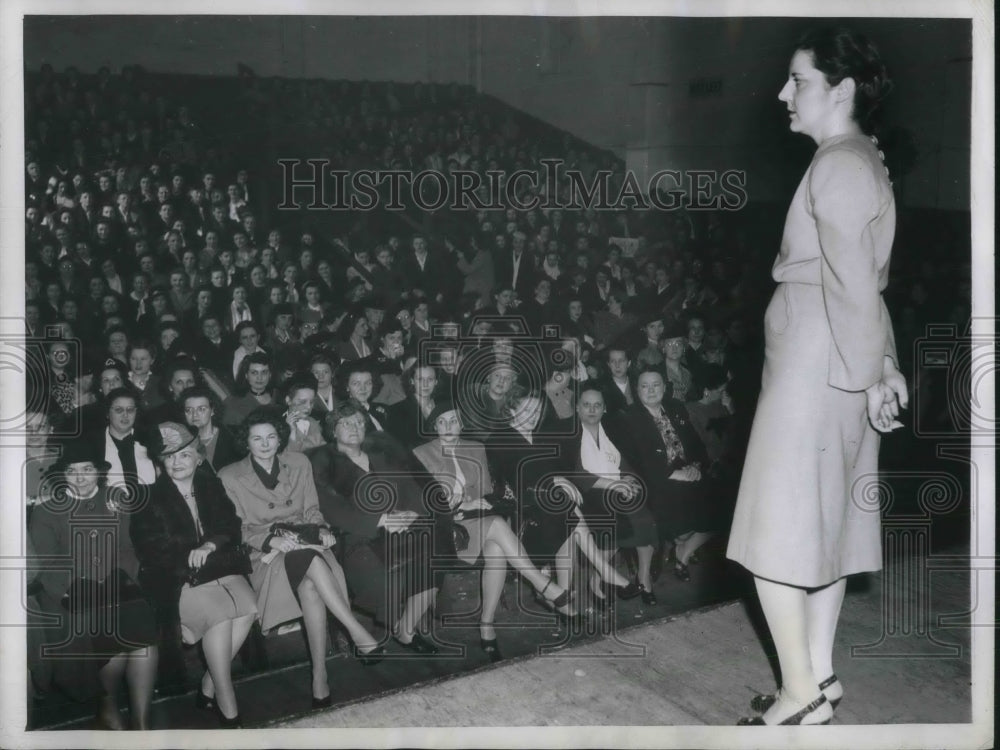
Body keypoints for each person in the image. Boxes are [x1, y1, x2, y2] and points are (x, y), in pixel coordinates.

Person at [726, 28, 906, 726]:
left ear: (842, 88)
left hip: (815, 356)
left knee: (774, 533)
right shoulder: (864, 160)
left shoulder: (838, 164)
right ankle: (820, 676)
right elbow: (865, 282)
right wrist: (880, 367)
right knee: (827, 527)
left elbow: (850, 283)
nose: (782, 93)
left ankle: (798, 696)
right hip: (844, 352)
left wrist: (870, 371)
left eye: (796, 79)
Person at [219, 409, 384, 709]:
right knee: (308, 562)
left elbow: (311, 508)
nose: (266, 444)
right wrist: (271, 539)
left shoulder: (298, 462)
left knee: (310, 581)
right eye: (257, 439)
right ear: (246, 442)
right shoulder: (229, 476)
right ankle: (355, 632)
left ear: (280, 437)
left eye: (271, 437)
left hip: (307, 544)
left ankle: (319, 675)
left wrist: (321, 527)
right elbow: (235, 529)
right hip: (265, 555)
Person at [412, 401, 573, 661]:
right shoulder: (420, 453)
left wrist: (476, 502)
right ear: (433, 426)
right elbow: (422, 502)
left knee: (497, 548)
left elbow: (487, 493)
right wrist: (461, 503)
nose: (449, 426)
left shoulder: (476, 448)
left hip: (477, 521)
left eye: (454, 420)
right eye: (442, 422)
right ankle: (541, 583)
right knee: (497, 525)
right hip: (444, 528)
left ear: (462, 423)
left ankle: (487, 623)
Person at [131, 422, 258, 728]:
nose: (177, 462)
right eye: (169, 456)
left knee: (250, 608)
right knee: (219, 616)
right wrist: (191, 556)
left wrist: (210, 544)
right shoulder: (148, 498)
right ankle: (228, 705)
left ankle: (208, 685)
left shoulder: (210, 484)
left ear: (198, 457)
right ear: (161, 461)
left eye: (184, 455)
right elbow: (152, 552)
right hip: (176, 580)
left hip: (218, 568)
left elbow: (231, 525)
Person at [28, 441, 159, 729]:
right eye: (72, 471)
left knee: (144, 640)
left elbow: (128, 548)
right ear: (63, 475)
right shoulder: (47, 510)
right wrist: (71, 588)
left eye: (87, 469)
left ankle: (141, 721)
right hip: (71, 589)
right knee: (104, 625)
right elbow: (45, 565)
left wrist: (124, 579)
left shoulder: (117, 499)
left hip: (117, 582)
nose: (80, 477)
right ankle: (107, 707)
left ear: (99, 472)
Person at [308, 403, 442, 654]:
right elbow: (330, 507)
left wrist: (412, 513)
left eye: (359, 422)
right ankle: (382, 628)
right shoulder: (323, 461)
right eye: (345, 423)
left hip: (401, 529)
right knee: (384, 580)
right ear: (332, 430)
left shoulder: (380, 453)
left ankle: (406, 629)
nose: (354, 428)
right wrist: (380, 520)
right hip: (357, 536)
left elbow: (411, 486)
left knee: (435, 560)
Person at [569, 387, 659, 605]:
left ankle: (644, 576)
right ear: (577, 407)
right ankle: (596, 580)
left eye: (597, 405)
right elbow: (576, 474)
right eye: (587, 404)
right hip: (588, 495)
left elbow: (625, 465)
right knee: (615, 524)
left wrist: (630, 480)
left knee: (645, 517)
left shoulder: (611, 433)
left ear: (604, 408)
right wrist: (613, 484)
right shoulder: (570, 435)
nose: (592, 409)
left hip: (616, 490)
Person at [181, 386, 243, 472]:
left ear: (212, 411)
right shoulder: (180, 442)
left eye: (201, 409)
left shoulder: (233, 437)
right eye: (188, 410)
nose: (194, 415)